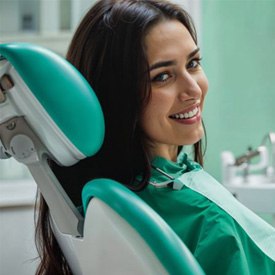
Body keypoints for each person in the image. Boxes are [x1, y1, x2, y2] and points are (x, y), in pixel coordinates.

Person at [35, 0, 275, 274]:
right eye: (162, 77)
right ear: (116, 95)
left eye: (193, 63)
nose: (193, 89)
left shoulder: (98, 199)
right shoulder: (206, 220)